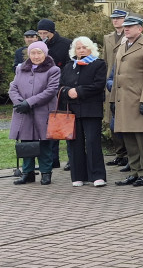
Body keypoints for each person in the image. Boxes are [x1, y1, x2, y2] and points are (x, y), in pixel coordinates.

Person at [111, 13, 143, 187]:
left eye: (130, 26)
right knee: (128, 136)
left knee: (142, 137)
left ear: (140, 28)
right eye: (125, 26)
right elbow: (117, 76)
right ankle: (134, 170)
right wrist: (112, 100)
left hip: (137, 99)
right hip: (123, 100)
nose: (126, 29)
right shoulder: (123, 45)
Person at [59, 37, 108, 187]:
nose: (81, 50)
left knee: (93, 142)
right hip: (72, 110)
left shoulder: (98, 64)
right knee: (75, 143)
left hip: (91, 109)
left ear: (91, 48)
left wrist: (79, 91)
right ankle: (78, 175)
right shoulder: (68, 66)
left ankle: (98, 176)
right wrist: (68, 91)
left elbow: (99, 84)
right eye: (78, 48)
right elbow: (61, 86)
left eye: (84, 47)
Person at [10, 42, 60, 185]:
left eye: (39, 53)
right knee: (26, 142)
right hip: (24, 112)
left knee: (44, 143)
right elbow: (13, 87)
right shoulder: (20, 69)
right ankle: (28, 173)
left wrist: (29, 102)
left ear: (45, 54)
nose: (36, 56)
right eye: (33, 53)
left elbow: (50, 91)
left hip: (43, 111)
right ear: (29, 54)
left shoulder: (53, 70)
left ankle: (46, 172)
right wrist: (20, 102)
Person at [36, 18, 72, 171]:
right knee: (50, 124)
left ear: (52, 32)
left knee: (67, 123)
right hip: (45, 91)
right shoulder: (39, 47)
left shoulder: (66, 44)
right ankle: (53, 159)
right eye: (40, 33)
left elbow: (69, 66)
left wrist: (61, 84)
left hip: (62, 89)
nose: (43, 36)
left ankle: (72, 159)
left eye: (45, 33)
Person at [103, 9, 129, 169]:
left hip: (124, 83)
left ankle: (128, 155)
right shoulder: (107, 38)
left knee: (125, 121)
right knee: (112, 122)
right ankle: (119, 154)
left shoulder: (130, 38)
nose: (116, 21)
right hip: (110, 83)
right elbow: (105, 61)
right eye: (114, 18)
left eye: (119, 18)